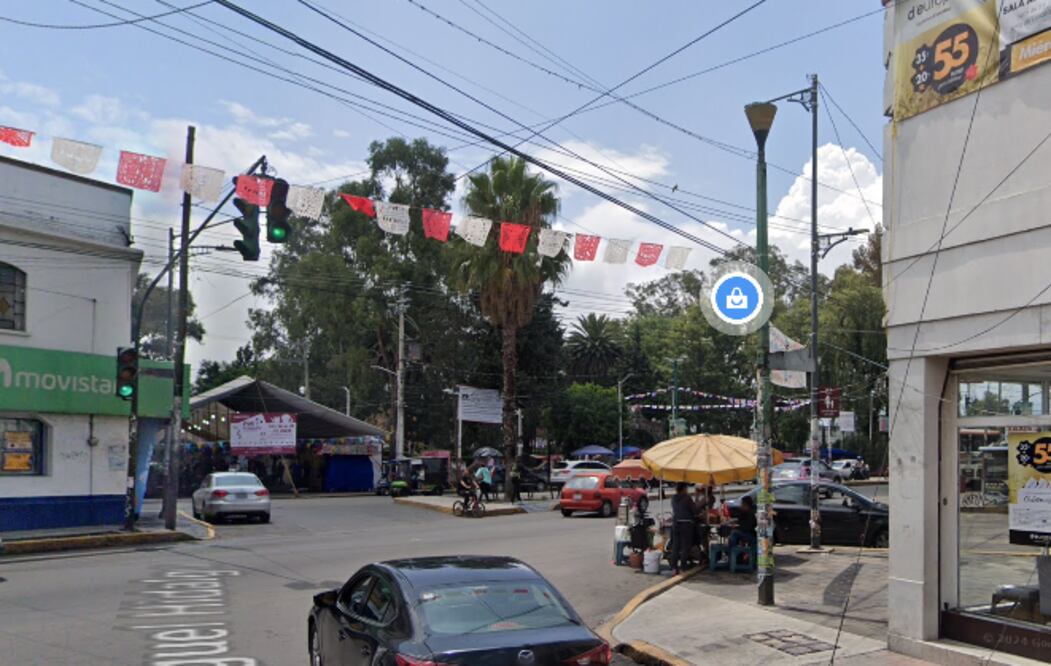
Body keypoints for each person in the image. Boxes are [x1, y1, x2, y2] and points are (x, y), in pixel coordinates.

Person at [670, 482, 695, 575]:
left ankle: (673, 567)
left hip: (676, 523)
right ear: (684, 488)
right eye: (686, 488)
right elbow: (694, 510)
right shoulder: (687, 498)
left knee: (675, 546)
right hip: (686, 524)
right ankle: (683, 567)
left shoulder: (673, 498)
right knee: (685, 546)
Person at [729, 495, 757, 560]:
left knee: (734, 534)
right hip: (745, 533)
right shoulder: (743, 512)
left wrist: (737, 527)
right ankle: (734, 555)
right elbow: (740, 522)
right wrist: (735, 523)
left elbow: (747, 528)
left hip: (751, 535)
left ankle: (733, 556)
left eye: (742, 504)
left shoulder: (751, 513)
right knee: (732, 535)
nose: (741, 506)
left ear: (746, 505)